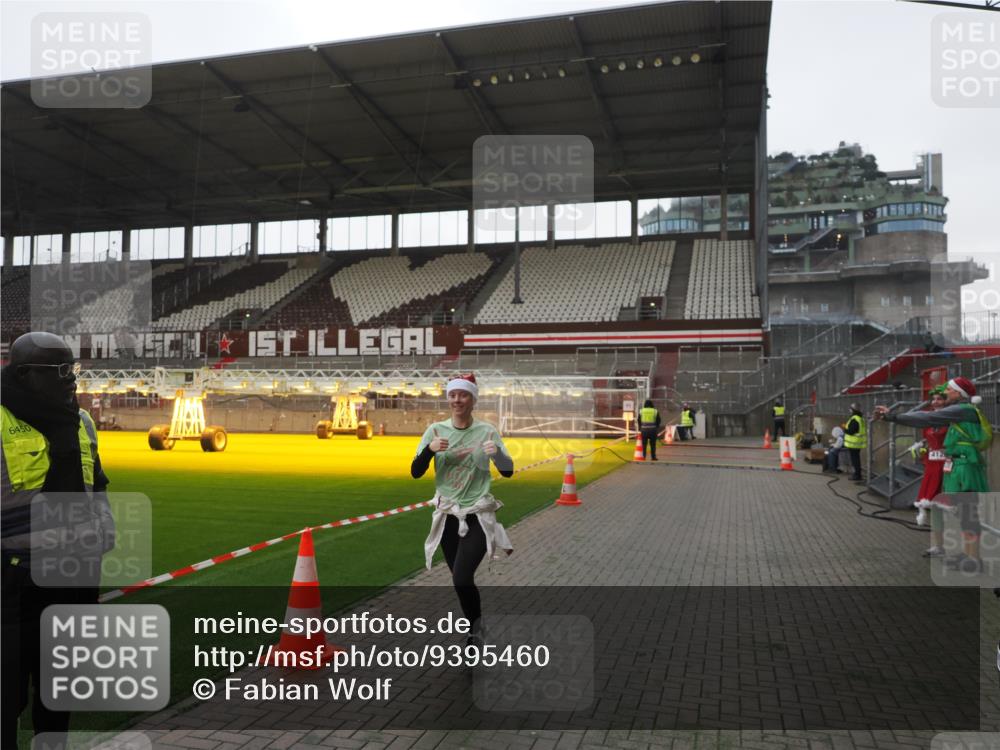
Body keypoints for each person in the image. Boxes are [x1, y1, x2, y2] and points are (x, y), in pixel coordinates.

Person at [2, 332, 115, 748]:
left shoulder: (81, 421)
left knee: (59, 691)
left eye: (73, 368)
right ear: (25, 373)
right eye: (61, 370)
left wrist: (103, 530)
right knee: (7, 694)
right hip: (15, 582)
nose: (71, 378)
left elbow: (96, 482)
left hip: (74, 579)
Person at [412, 374, 513, 646]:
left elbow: (508, 471)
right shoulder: (435, 430)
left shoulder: (487, 431)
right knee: (460, 580)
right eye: (453, 395)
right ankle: (476, 625)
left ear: (473, 399)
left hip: (477, 513)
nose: (457, 400)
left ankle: (474, 631)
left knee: (461, 577)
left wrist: (497, 454)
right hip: (448, 516)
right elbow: (416, 471)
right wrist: (430, 450)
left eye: (463, 395)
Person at [876, 376, 990, 571]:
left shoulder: (963, 410)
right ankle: (969, 555)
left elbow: (927, 418)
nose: (945, 392)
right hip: (959, 465)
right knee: (965, 514)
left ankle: (974, 559)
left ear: (958, 393)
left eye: (949, 389)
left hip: (965, 467)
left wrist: (892, 416)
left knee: (968, 513)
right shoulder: (961, 411)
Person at [844, 403, 867, 482]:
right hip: (857, 443)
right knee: (856, 459)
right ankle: (857, 474)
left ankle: (857, 475)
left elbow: (851, 431)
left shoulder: (855, 419)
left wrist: (844, 428)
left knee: (855, 460)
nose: (849, 410)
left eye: (850, 409)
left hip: (854, 443)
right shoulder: (860, 418)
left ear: (853, 410)